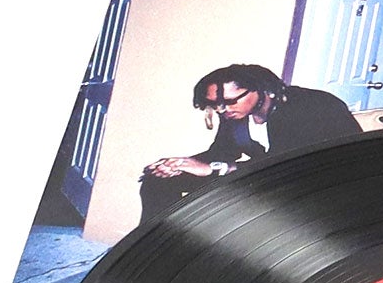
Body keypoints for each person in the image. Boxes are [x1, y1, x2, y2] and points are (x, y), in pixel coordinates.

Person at [139, 63, 362, 220]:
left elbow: (283, 165)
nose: (221, 110)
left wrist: (214, 168)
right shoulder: (236, 113)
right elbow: (221, 152)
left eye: (229, 101)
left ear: (263, 90)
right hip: (271, 182)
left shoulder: (307, 107)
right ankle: (153, 254)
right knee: (157, 182)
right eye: (215, 105)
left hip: (324, 187)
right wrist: (180, 165)